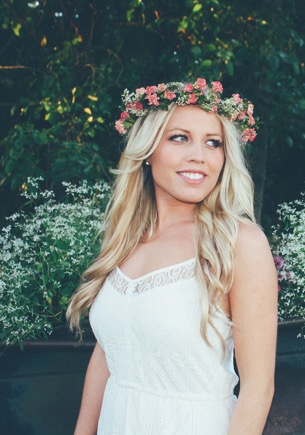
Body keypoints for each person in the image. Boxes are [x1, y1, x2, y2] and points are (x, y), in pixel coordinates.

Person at [66, 78, 278, 435]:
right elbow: (109, 352)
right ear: (147, 150)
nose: (199, 155)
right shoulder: (126, 238)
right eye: (180, 138)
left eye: (213, 143)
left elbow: (258, 387)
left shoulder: (239, 243)